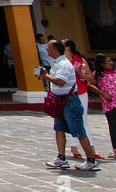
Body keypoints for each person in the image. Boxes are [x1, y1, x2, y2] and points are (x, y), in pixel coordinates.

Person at [38, 38, 100, 172]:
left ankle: (91, 160)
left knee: (78, 131)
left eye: (48, 48)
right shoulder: (56, 63)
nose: (46, 49)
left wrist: (46, 76)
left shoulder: (64, 64)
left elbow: (60, 81)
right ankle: (61, 158)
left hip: (70, 101)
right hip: (59, 101)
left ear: (55, 50)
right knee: (59, 129)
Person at [63, 39, 96, 161]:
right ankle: (73, 147)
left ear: (68, 47)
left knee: (84, 119)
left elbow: (91, 79)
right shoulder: (62, 61)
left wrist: (81, 74)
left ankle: (91, 147)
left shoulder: (80, 60)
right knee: (70, 119)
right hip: (67, 93)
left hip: (81, 91)